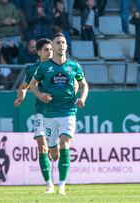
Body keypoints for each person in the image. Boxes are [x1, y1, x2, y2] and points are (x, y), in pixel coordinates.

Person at [29, 33, 88, 195]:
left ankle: (61, 186)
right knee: (54, 153)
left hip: (68, 111)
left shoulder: (74, 66)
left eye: (63, 42)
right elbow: (32, 85)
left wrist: (82, 98)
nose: (61, 45)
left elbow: (84, 85)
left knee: (65, 144)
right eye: (58, 43)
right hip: (49, 113)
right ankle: (51, 180)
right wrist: (40, 95)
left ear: (66, 47)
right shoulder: (44, 67)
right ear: (53, 47)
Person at [14, 38, 53, 193]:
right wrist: (20, 98)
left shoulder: (60, 67)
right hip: (40, 113)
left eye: (51, 49)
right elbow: (23, 87)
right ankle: (49, 184)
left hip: (57, 113)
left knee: (55, 152)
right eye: (46, 49)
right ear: (38, 52)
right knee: (42, 147)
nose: (50, 52)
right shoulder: (33, 69)